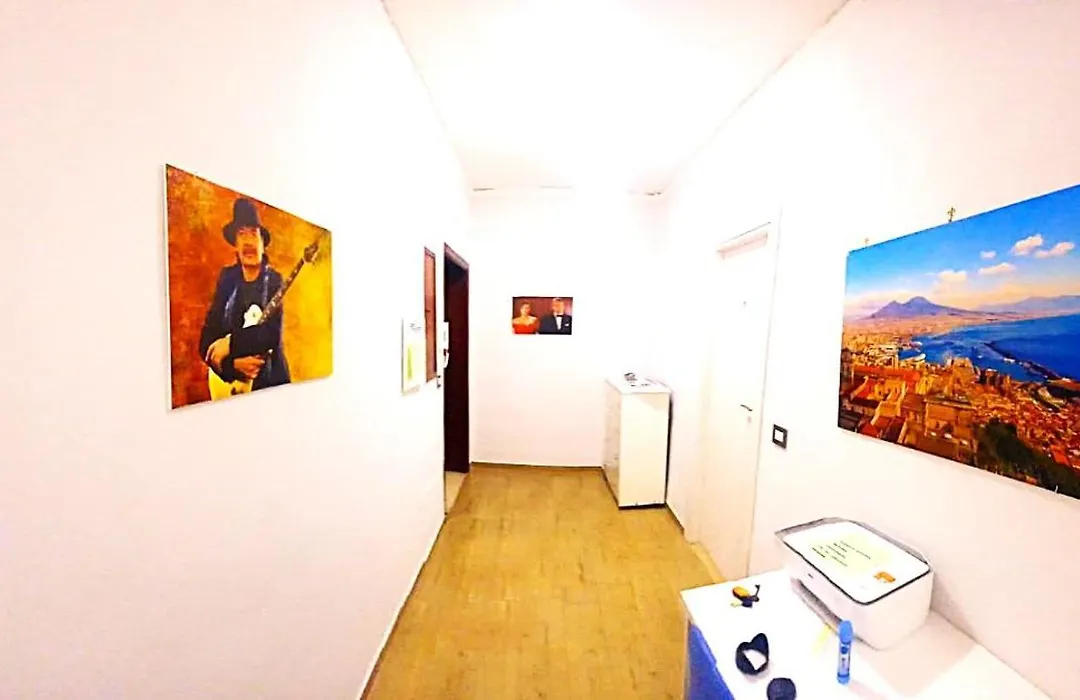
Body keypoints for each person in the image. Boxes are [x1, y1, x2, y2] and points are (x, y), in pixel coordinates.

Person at [199, 198, 291, 392]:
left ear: (263, 243)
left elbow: (270, 335)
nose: (248, 241)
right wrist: (231, 366)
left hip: (271, 386)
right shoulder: (227, 279)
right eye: (242, 234)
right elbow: (207, 339)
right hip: (232, 391)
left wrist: (230, 344)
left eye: (253, 234)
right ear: (235, 244)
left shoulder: (274, 280)